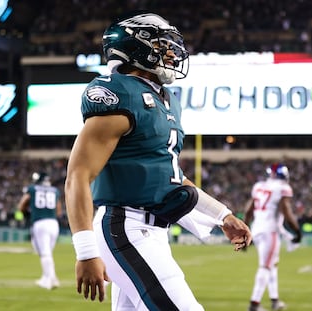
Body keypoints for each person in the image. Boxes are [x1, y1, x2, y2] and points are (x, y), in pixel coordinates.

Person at [65, 11, 252, 311]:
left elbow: (172, 176)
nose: (172, 54)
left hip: (154, 231)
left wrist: (222, 216)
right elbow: (78, 175)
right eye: (162, 46)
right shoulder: (118, 94)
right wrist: (86, 251)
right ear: (136, 49)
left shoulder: (165, 100)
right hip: (125, 228)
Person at [244, 164, 302, 311]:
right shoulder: (282, 188)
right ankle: (254, 304)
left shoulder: (259, 186)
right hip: (270, 231)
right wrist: (297, 231)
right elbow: (287, 211)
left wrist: (244, 230)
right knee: (265, 266)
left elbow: (249, 210)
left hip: (256, 229)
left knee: (271, 265)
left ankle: (274, 300)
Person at [18, 172, 62, 290]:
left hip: (40, 223)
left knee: (44, 253)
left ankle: (50, 280)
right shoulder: (55, 190)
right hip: (53, 223)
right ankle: (48, 277)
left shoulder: (32, 189)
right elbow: (59, 210)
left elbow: (22, 204)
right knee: (47, 253)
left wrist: (26, 214)